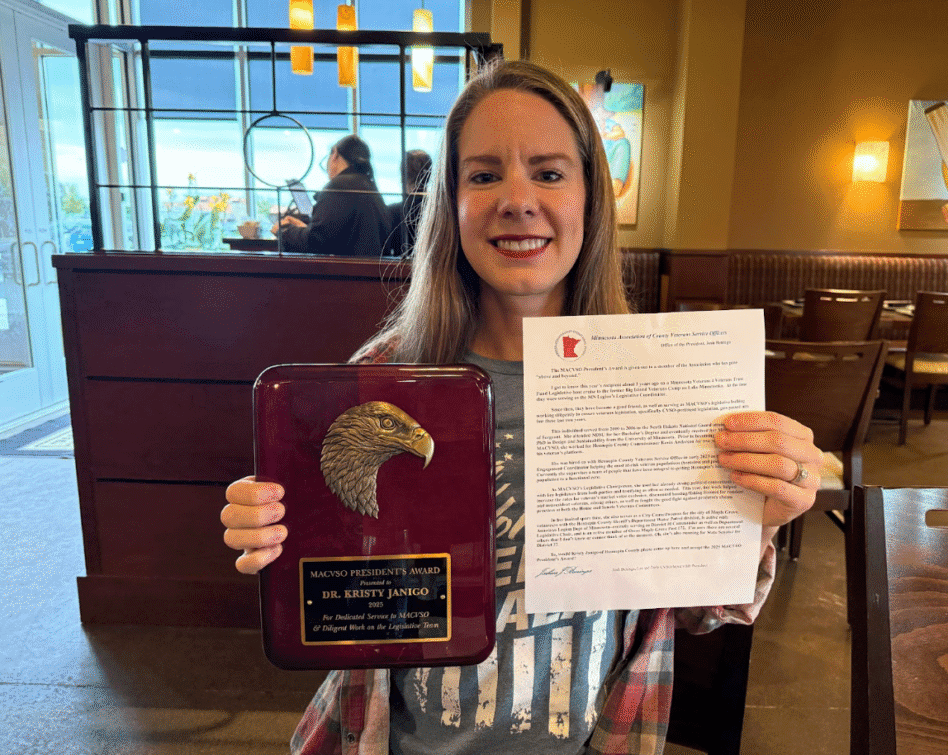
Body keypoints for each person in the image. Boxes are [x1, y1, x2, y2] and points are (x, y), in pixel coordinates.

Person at [222, 59, 823, 755]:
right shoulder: (383, 377)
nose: (516, 198)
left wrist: (757, 518)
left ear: (591, 198)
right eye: (482, 175)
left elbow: (703, 611)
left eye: (548, 171)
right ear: (449, 204)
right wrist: (274, 534)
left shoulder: (660, 383)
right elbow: (333, 590)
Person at [273, 134, 392, 257]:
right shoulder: (367, 184)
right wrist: (304, 229)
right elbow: (337, 235)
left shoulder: (340, 185)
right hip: (369, 271)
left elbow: (317, 242)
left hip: (346, 272)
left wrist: (284, 231)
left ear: (335, 154)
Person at [386, 149, 433, 256]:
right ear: (429, 176)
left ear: (403, 176)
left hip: (401, 270)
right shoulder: (442, 209)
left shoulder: (392, 211)